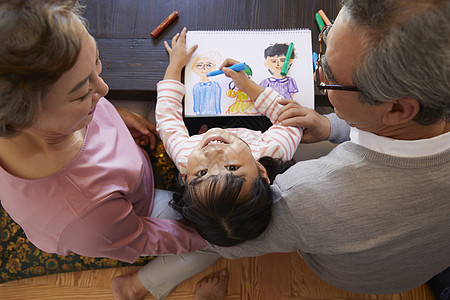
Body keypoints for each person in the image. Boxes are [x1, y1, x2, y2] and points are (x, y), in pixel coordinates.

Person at [203, 0, 449, 295]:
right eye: (327, 37)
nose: (317, 75)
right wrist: (332, 127)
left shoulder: (305, 195)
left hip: (360, 279)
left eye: (329, 75)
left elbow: (231, 243)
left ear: (396, 110)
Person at [0, 1, 219, 300]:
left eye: (96, 64)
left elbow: (94, 95)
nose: (103, 89)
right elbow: (141, 237)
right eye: (81, 94)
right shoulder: (87, 214)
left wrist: (109, 113)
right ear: (21, 118)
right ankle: (138, 286)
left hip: (125, 188)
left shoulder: (45, 117)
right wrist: (205, 236)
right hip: (133, 217)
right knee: (214, 243)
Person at [156, 28, 301, 247]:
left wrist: (175, 66)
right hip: (254, 125)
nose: (213, 155)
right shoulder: (272, 152)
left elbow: (167, 118)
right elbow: (292, 119)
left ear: (185, 177)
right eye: (232, 168)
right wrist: (249, 86)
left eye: (202, 172)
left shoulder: (186, 158)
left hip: (204, 126)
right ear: (262, 172)